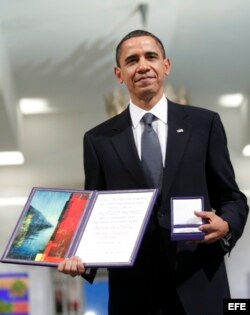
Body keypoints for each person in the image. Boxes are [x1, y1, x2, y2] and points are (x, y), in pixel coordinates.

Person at [58, 29, 249, 315]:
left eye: (151, 57)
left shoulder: (204, 124)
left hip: (200, 285)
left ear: (166, 66)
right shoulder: (98, 140)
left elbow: (232, 198)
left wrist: (227, 226)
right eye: (132, 60)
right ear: (119, 74)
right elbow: (94, 214)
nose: (143, 66)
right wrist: (80, 257)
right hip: (133, 295)